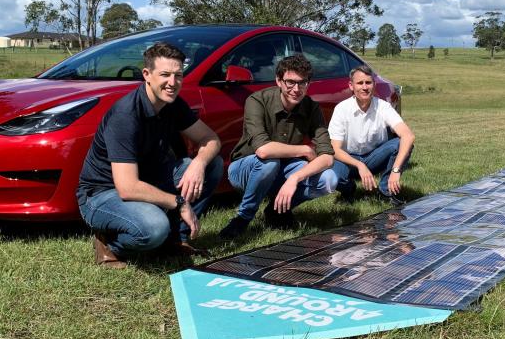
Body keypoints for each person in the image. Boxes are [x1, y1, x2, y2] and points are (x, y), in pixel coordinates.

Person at [76, 42, 223, 267]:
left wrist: (199, 164)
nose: (172, 83)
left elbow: (211, 139)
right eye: (165, 74)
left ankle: (176, 240)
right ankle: (110, 245)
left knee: (212, 164)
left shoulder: (172, 104)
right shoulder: (126, 115)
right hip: (103, 194)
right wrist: (180, 203)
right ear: (147, 74)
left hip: (148, 179)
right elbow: (127, 187)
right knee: (154, 227)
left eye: (178, 75)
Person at [220, 54, 338, 238]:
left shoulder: (311, 107)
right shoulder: (257, 100)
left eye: (302, 83)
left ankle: (277, 210)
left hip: (285, 168)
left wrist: (295, 178)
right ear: (278, 80)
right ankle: (243, 217)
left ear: (309, 83)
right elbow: (263, 150)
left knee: (329, 179)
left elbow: (327, 157)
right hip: (246, 168)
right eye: (290, 82)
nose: (296, 89)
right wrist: (305, 150)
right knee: (270, 161)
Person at [329, 64, 415, 207]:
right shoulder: (341, 109)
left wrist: (396, 170)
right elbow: (334, 149)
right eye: (360, 83)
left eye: (368, 83)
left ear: (374, 85)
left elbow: (408, 136)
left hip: (375, 157)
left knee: (401, 143)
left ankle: (386, 190)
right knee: (332, 175)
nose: (364, 87)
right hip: (348, 160)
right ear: (351, 86)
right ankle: (349, 190)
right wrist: (359, 165)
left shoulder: (383, 106)